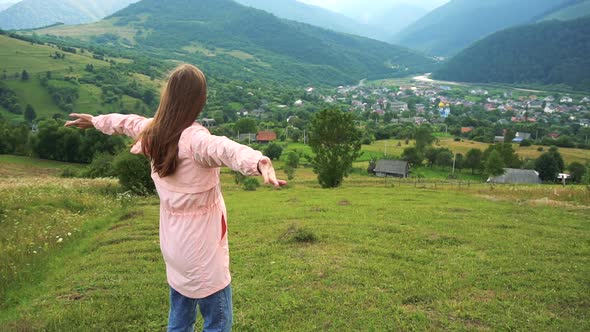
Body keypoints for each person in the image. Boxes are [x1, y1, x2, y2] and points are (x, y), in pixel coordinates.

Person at [65, 64, 287, 332]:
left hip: (174, 244)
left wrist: (95, 120)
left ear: (168, 96)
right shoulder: (195, 140)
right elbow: (227, 149)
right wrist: (260, 161)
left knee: (180, 318)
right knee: (218, 321)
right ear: (198, 101)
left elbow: (125, 122)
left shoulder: (152, 131)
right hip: (204, 251)